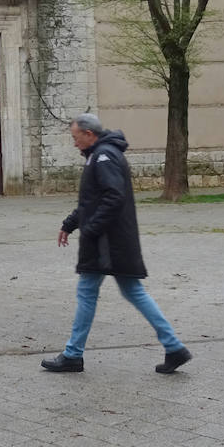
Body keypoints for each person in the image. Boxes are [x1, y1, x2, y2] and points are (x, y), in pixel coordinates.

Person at [42, 113, 192, 375]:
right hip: (110, 241)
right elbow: (92, 201)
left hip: (107, 243)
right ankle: (174, 347)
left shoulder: (104, 157)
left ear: (89, 135)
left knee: (90, 292)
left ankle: (73, 355)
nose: (74, 143)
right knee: (131, 291)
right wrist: (70, 223)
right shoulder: (100, 155)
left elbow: (113, 197)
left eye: (76, 138)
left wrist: (90, 229)